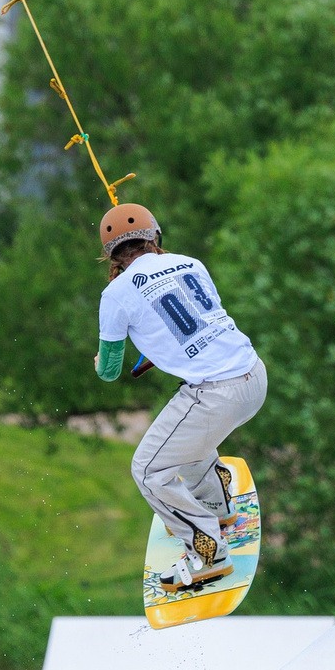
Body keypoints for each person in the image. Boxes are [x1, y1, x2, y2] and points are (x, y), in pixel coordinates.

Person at [93, 202, 266, 589]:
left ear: (112, 256)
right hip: (254, 375)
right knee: (184, 441)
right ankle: (217, 505)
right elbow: (198, 324)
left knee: (148, 469)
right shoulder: (191, 263)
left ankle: (208, 554)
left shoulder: (115, 293)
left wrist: (100, 361)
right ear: (155, 236)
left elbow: (109, 370)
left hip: (216, 395)